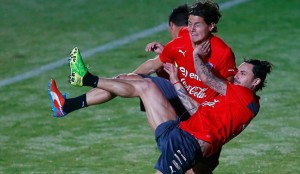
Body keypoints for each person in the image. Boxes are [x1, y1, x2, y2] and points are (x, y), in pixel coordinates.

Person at [48, 41, 273, 173]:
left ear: (255, 83)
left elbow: (208, 79)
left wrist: (195, 55)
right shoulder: (231, 99)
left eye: (242, 74)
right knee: (143, 84)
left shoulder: (246, 98)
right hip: (179, 130)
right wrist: (175, 78)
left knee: (136, 80)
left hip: (188, 144)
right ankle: (83, 83)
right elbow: (196, 110)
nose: (235, 76)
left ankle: (82, 85)